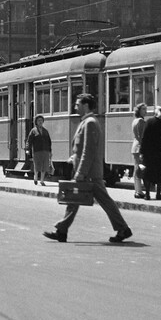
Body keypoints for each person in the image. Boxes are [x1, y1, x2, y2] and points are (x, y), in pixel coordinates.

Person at [43, 94, 132, 244]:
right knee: (73, 199)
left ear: (85, 105)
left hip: (89, 173)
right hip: (86, 171)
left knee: (103, 201)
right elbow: (82, 149)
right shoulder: (86, 122)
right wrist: (73, 158)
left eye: (77, 104)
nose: (75, 107)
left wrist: (81, 172)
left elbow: (88, 151)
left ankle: (123, 228)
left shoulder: (90, 123)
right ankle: (62, 231)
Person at [140, 106, 161, 200]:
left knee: (147, 173)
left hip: (148, 152)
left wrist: (142, 152)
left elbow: (144, 138)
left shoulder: (149, 122)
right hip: (159, 152)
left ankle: (147, 194)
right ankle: (158, 193)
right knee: (159, 172)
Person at [26, 115, 52, 186]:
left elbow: (49, 141)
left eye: (41, 120)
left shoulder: (45, 131)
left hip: (45, 151)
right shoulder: (33, 131)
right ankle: (35, 178)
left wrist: (50, 151)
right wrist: (28, 149)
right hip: (37, 151)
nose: (40, 122)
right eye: (38, 121)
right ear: (36, 122)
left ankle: (42, 181)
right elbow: (29, 141)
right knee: (37, 165)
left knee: (44, 166)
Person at [131, 104, 146, 198]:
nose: (146, 111)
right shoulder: (141, 121)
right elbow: (142, 136)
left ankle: (137, 190)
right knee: (140, 169)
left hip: (135, 146)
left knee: (137, 168)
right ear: (139, 111)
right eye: (143, 109)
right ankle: (139, 191)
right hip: (139, 147)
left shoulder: (135, 121)